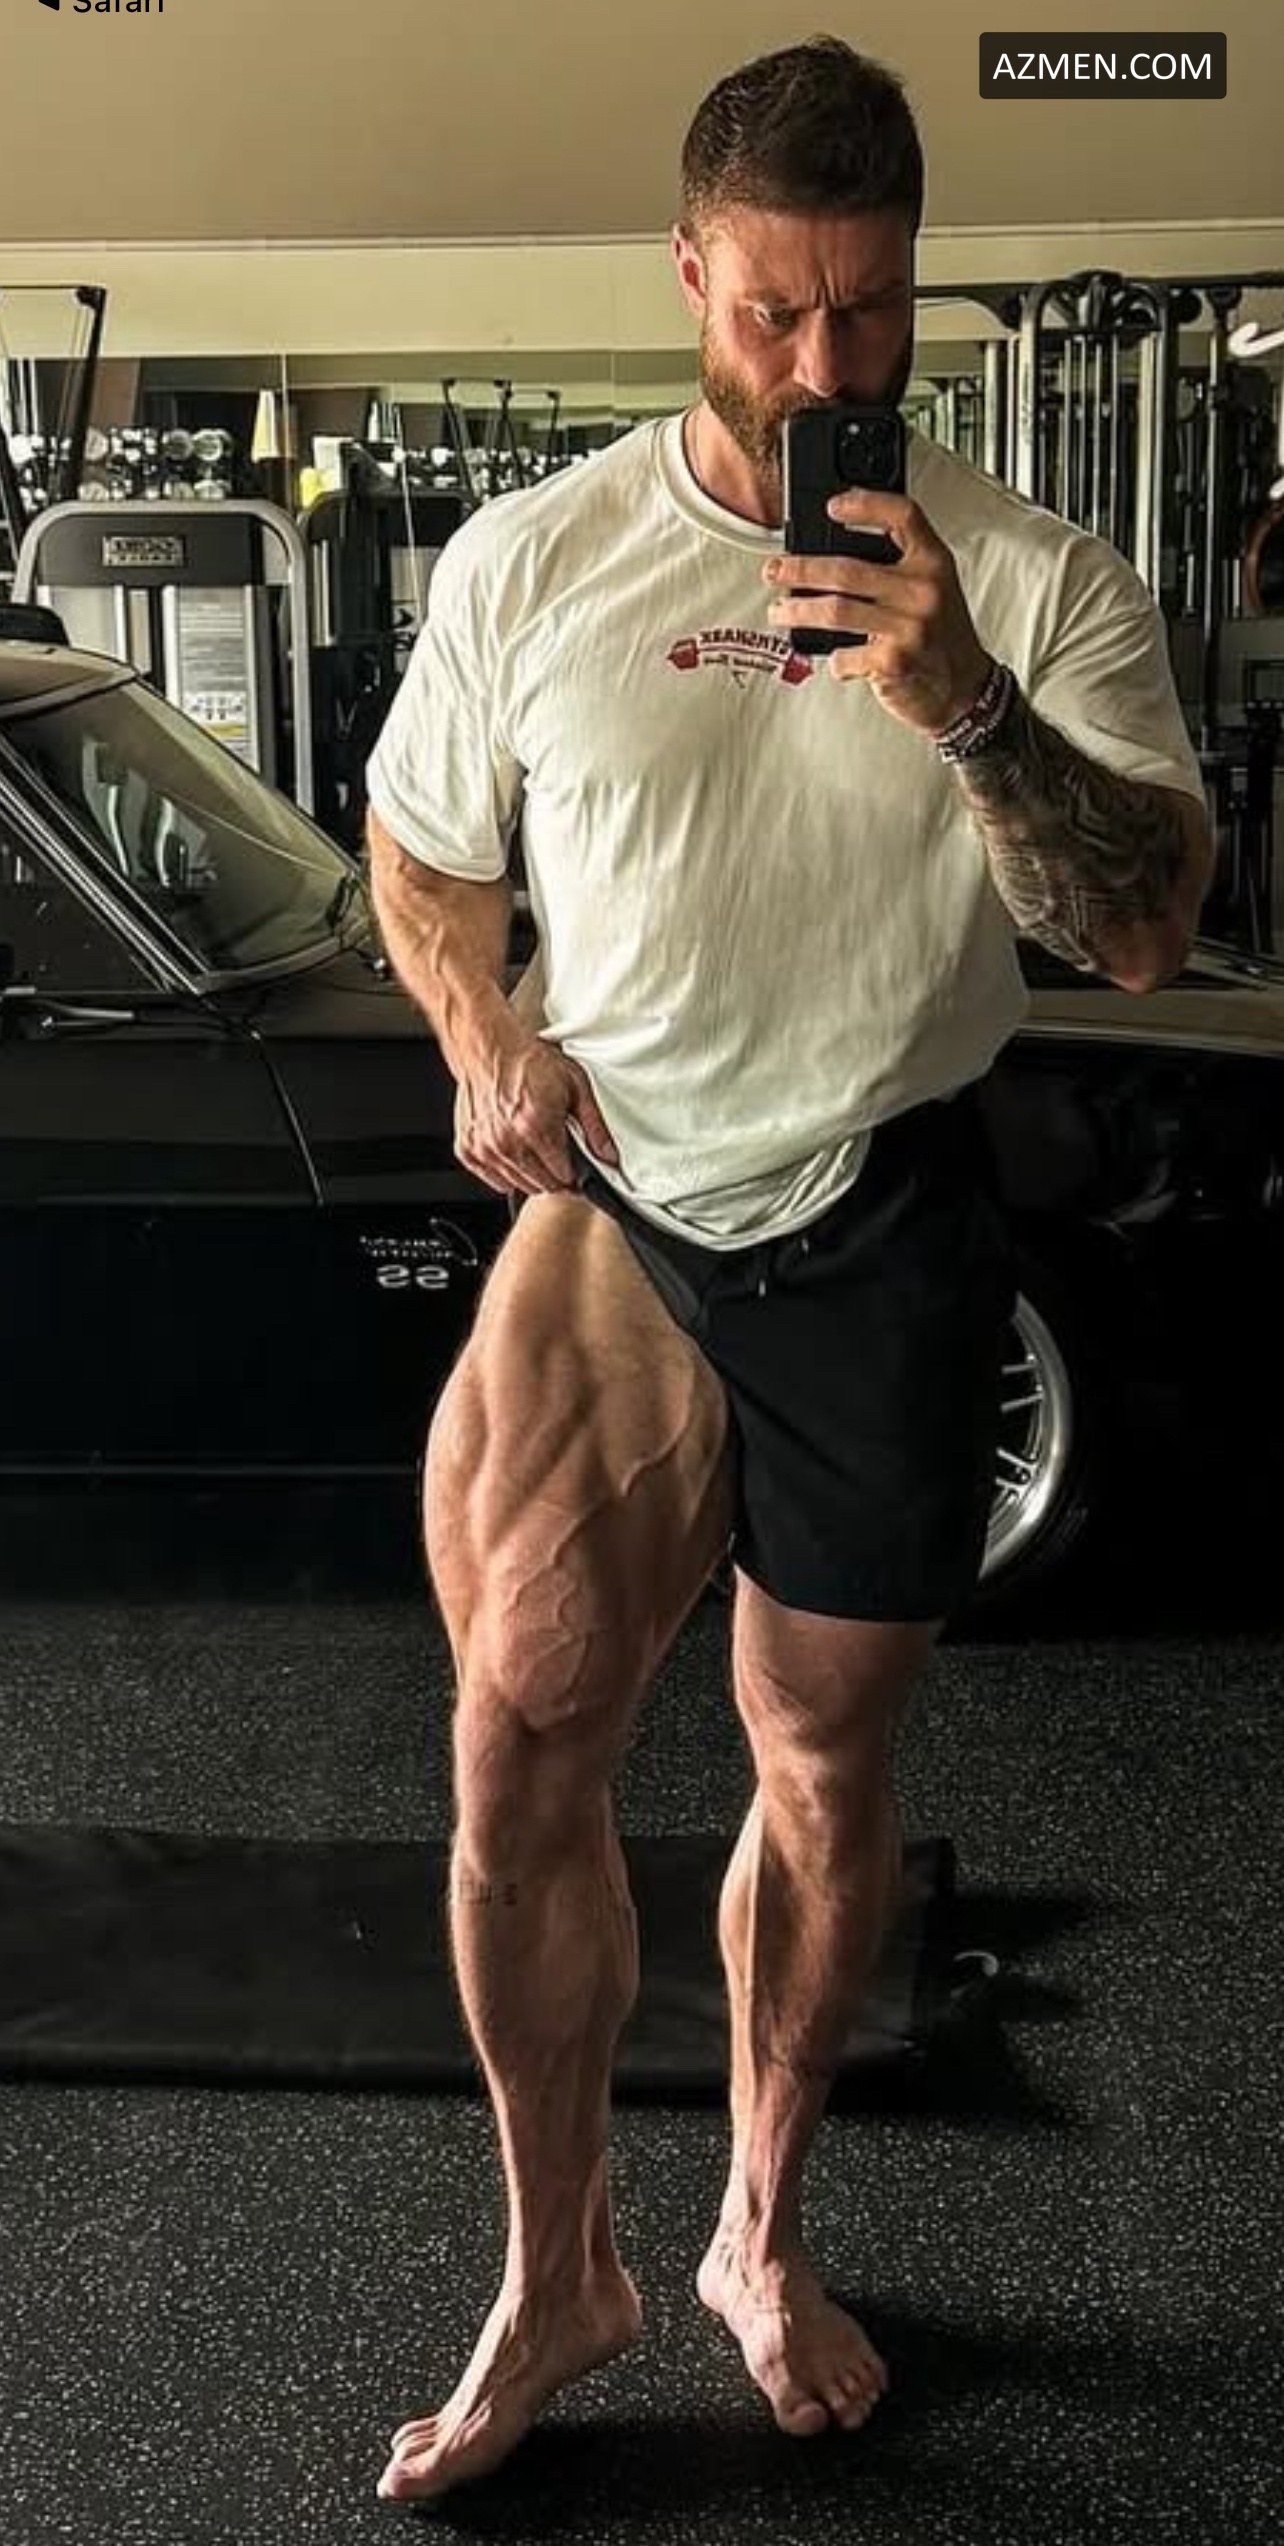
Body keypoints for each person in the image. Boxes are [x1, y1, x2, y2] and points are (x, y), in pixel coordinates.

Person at [363, 35, 1213, 2505]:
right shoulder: (536, 559)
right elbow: (424, 859)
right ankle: (559, 2269)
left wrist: (962, 703)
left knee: (823, 1765)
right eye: (775, 311)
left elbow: (1145, 929)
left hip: (880, 1210)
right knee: (516, 1731)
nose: (825, 359)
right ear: (690, 275)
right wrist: (481, 1026)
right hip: (615, 1204)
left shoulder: (1037, 581)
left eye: (870, 311)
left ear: (915, 283)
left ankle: (754, 2227)